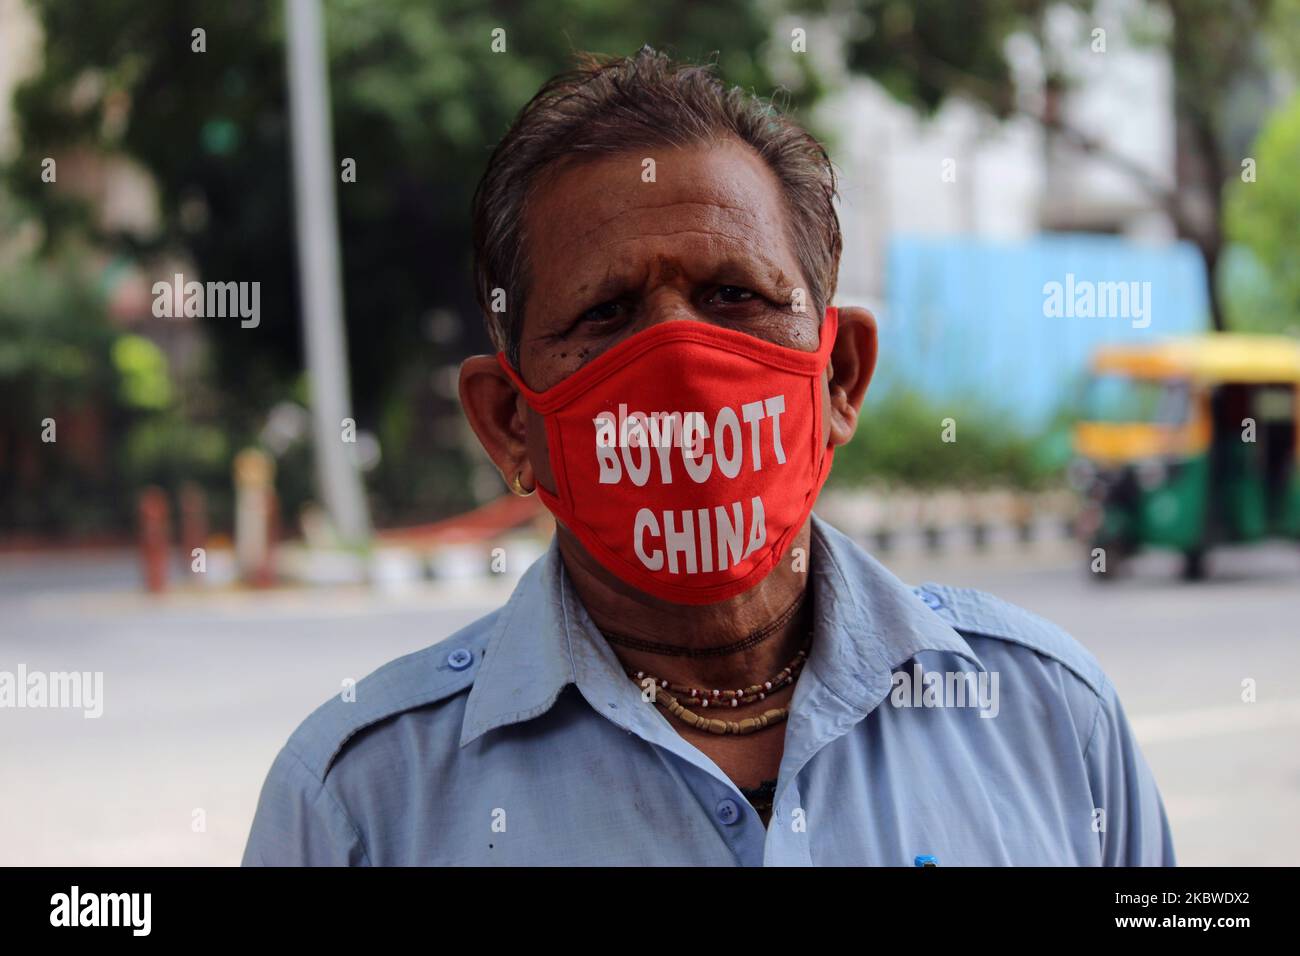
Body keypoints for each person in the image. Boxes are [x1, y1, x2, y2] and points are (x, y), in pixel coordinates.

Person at [243, 47, 1174, 866]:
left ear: (839, 376)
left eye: (736, 294)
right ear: (508, 425)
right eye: (604, 314)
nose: (682, 363)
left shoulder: (1052, 720)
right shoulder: (361, 809)